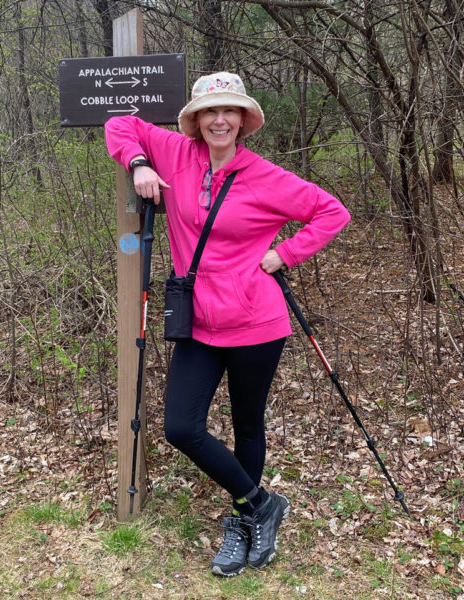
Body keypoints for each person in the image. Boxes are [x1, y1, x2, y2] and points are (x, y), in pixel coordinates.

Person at [105, 72, 350, 576]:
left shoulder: (267, 176)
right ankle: (262, 504)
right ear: (195, 119)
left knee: (247, 425)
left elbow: (332, 212)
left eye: (229, 111)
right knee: (181, 427)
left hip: (256, 322)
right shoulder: (174, 152)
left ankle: (243, 522)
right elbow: (119, 124)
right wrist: (138, 164)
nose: (220, 119)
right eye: (210, 111)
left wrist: (285, 254)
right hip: (196, 322)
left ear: (242, 120)